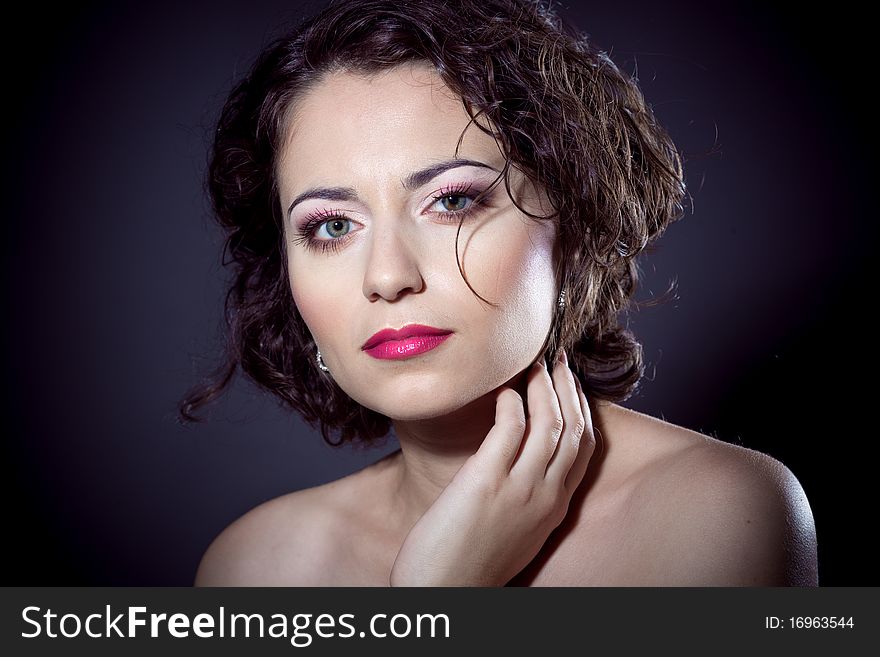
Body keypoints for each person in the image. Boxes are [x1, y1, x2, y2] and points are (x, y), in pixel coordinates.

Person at [183, 0, 818, 586]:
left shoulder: (717, 514)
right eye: (331, 226)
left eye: (453, 202)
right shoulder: (257, 565)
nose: (387, 276)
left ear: (573, 225)